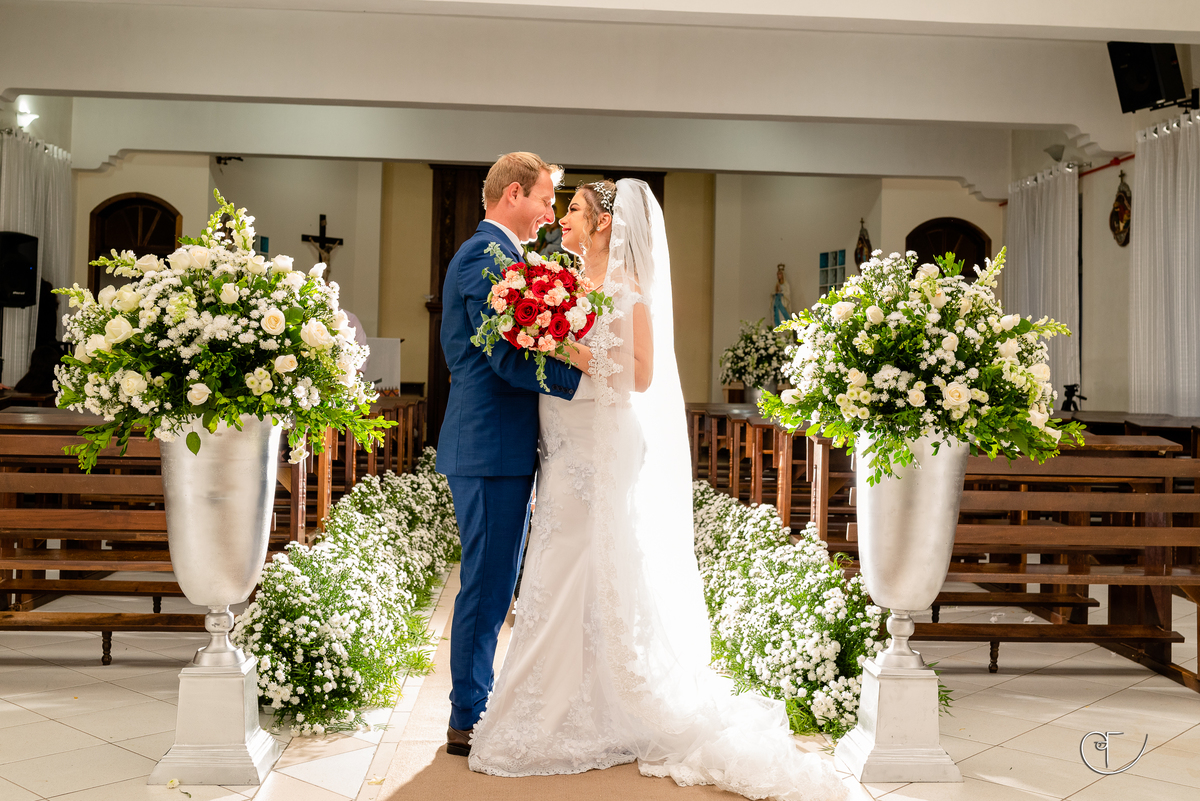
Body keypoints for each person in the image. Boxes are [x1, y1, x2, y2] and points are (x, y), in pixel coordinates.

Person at [467, 179, 846, 801]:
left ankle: (579, 706)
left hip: (599, 444)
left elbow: (640, 376)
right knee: (560, 563)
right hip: (562, 442)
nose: (563, 219)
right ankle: (567, 697)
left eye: (574, 210)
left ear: (605, 224)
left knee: (576, 559)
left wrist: (565, 348)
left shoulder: (626, 290)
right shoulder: (566, 282)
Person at [436, 152, 585, 757]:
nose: (550, 212)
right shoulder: (483, 256)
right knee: (487, 587)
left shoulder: (510, 257)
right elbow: (502, 356)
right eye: (546, 199)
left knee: (496, 583)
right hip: (488, 445)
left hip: (504, 445)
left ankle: (478, 703)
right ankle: (467, 716)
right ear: (514, 193)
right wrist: (583, 376)